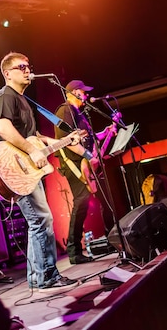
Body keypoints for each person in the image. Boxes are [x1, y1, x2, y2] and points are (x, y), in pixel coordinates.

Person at [0, 52, 79, 292]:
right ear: (8, 73)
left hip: (27, 168)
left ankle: (38, 277)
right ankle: (47, 276)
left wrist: (65, 140)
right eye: (21, 67)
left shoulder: (23, 101)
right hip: (16, 168)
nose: (28, 70)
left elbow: (34, 138)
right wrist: (31, 150)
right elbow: (3, 127)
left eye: (28, 66)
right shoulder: (6, 96)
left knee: (36, 222)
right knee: (41, 220)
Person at [54, 80, 118, 264]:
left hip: (86, 163)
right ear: (75, 92)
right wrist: (90, 156)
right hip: (74, 165)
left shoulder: (79, 115)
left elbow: (89, 138)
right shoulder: (65, 111)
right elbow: (67, 141)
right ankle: (74, 252)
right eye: (84, 92)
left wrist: (105, 132)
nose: (86, 95)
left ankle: (113, 238)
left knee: (98, 200)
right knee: (81, 203)